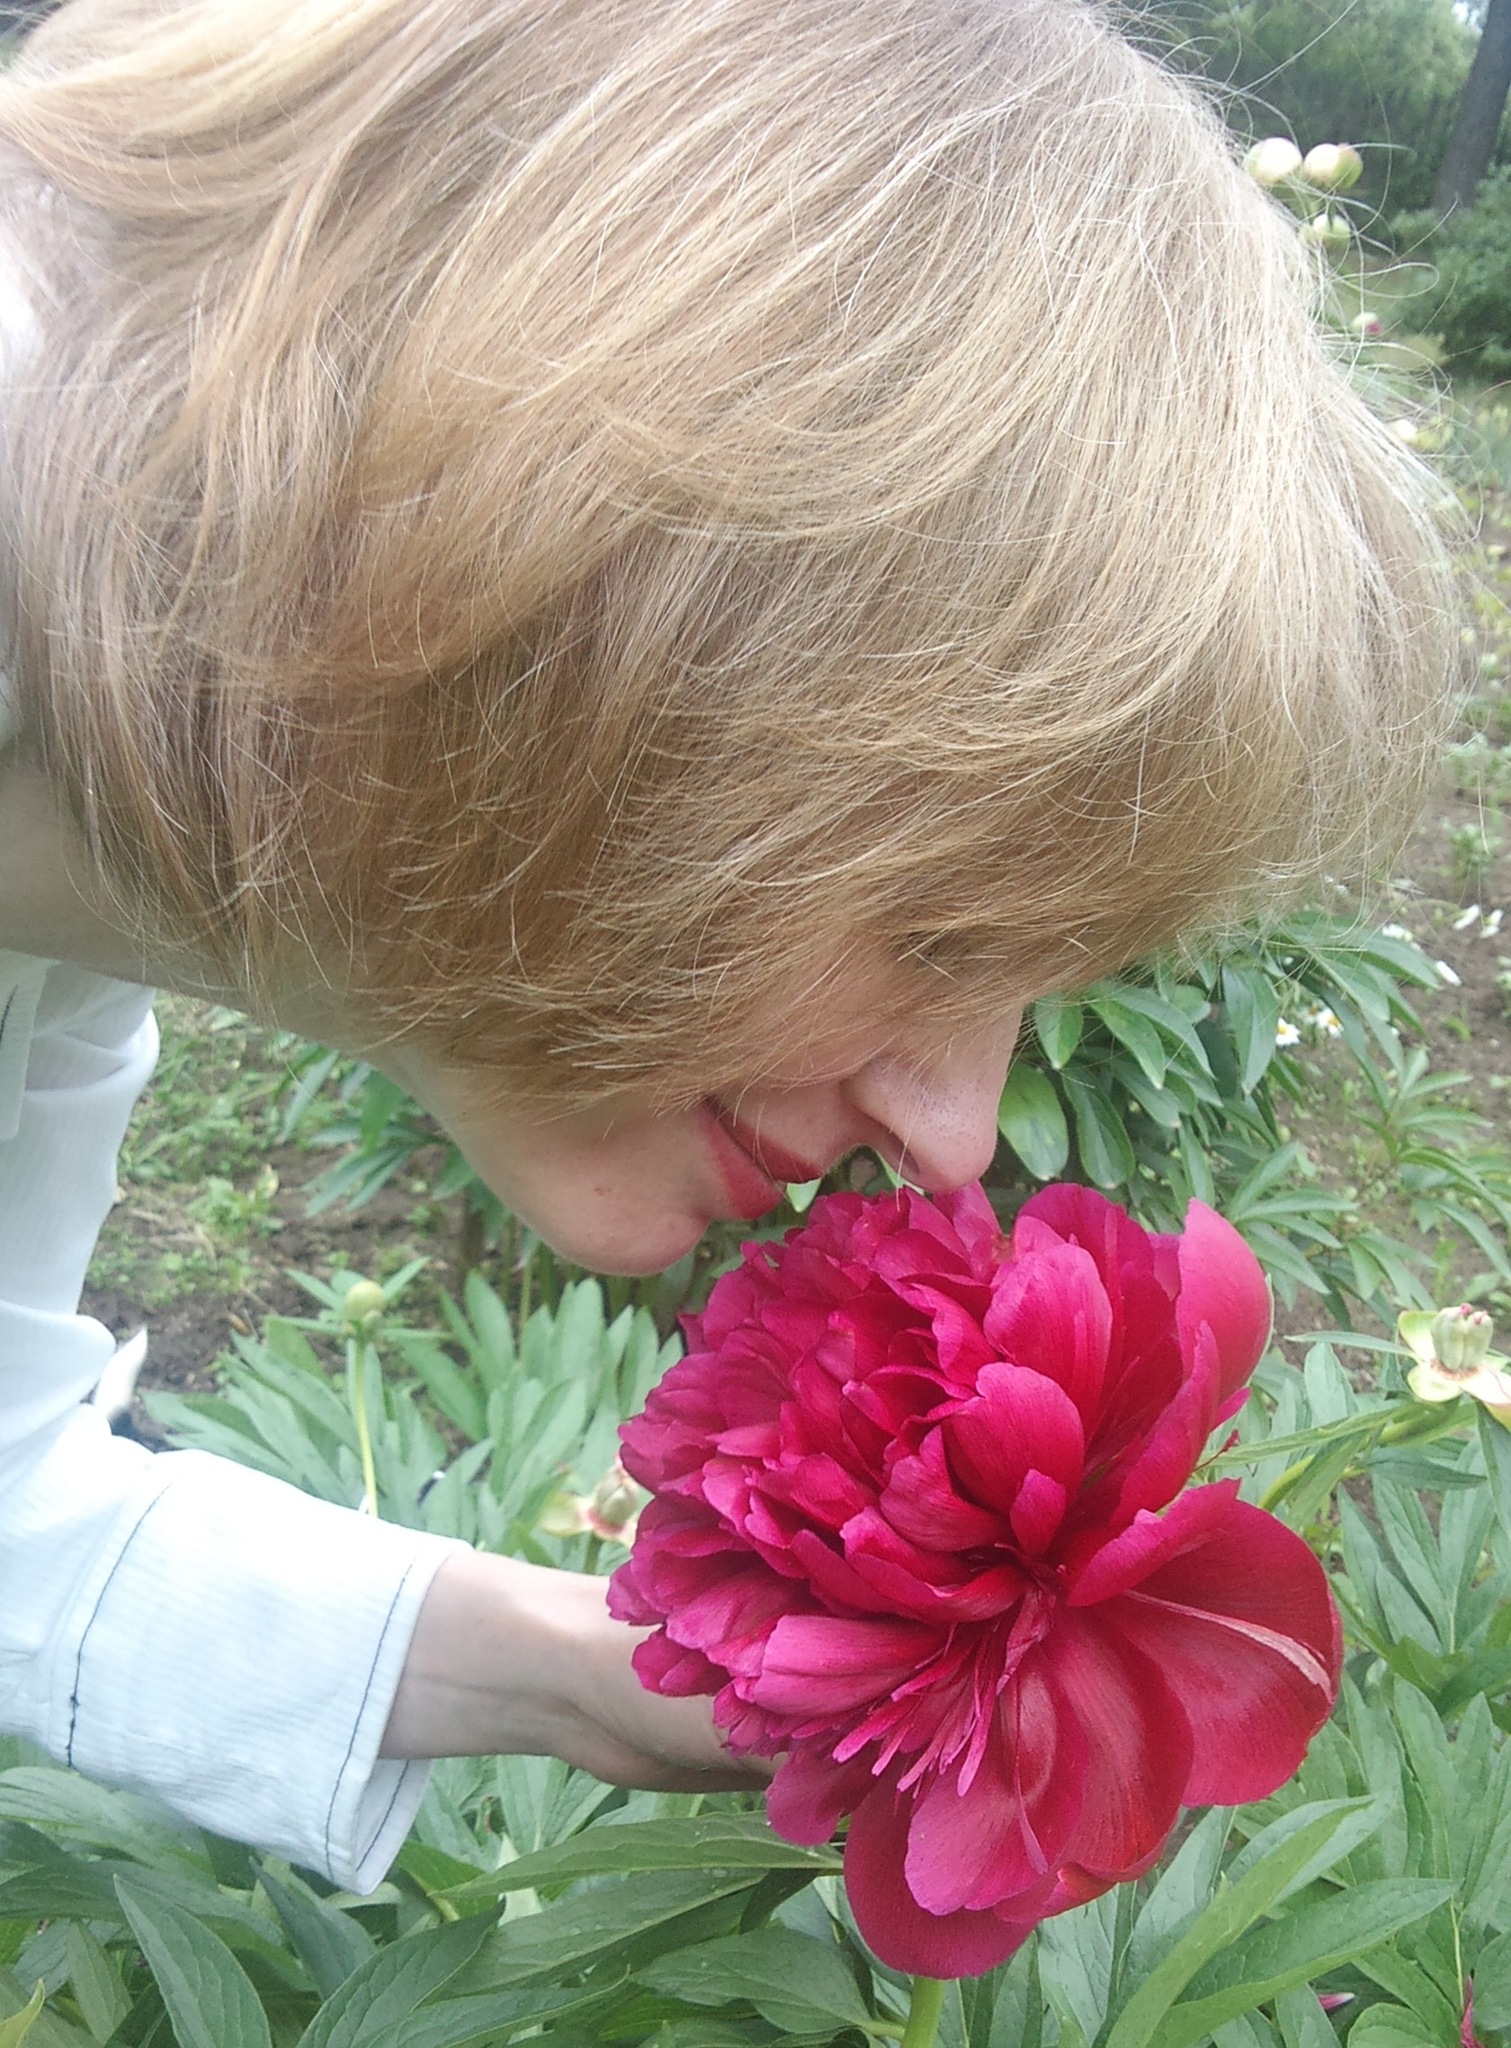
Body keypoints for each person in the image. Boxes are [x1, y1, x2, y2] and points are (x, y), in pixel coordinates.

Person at [0, 0, 1455, 1889]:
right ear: (592, 588)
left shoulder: (89, 896)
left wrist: (606, 1675)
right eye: (940, 924)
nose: (958, 1138)